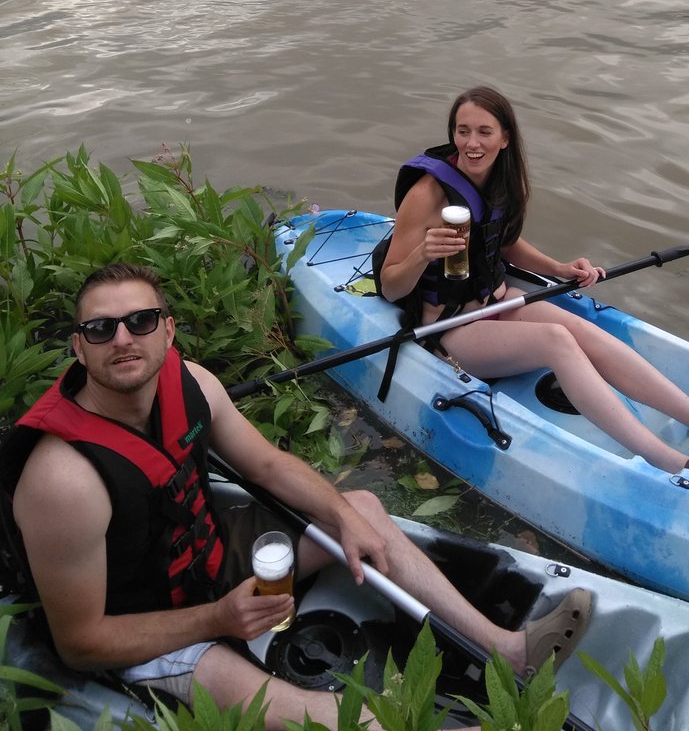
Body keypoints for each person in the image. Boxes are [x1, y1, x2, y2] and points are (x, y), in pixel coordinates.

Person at [0, 263, 591, 730]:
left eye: (142, 321)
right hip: (141, 621)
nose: (123, 339)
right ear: (79, 348)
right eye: (101, 329)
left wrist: (340, 516)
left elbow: (267, 463)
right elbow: (80, 643)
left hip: (207, 556)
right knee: (316, 714)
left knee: (360, 510)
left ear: (168, 330)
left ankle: (507, 650)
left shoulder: (193, 382)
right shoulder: (63, 480)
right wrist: (217, 617)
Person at [378, 86, 689, 492]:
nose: (472, 143)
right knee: (557, 340)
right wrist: (422, 255)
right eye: (462, 131)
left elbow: (499, 239)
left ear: (505, 139)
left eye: (484, 132)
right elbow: (392, 286)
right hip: (450, 330)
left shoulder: (499, 180)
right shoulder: (427, 193)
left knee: (584, 331)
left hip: (495, 301)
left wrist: (558, 268)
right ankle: (676, 463)